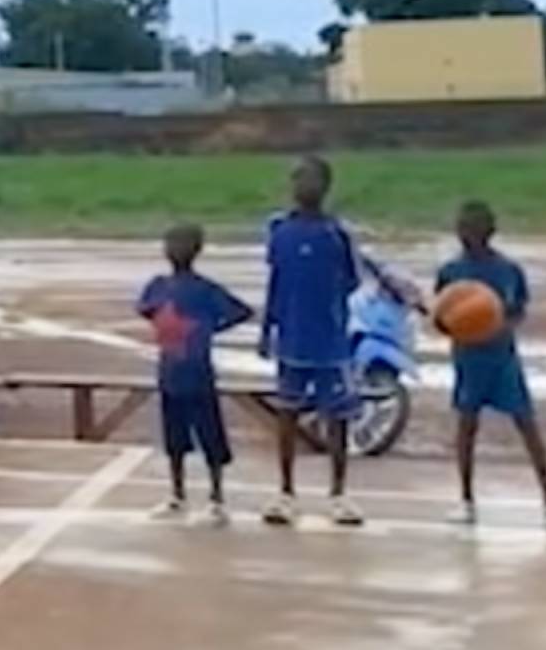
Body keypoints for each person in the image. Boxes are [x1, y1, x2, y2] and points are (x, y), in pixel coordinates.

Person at [253, 156, 388, 528]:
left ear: (325, 188)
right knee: (287, 412)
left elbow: (351, 281)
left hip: (330, 343)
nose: (303, 186)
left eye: (310, 180)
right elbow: (276, 284)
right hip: (292, 340)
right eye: (299, 179)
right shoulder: (280, 231)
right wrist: (268, 329)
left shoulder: (336, 235)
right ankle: (285, 492)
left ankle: (339, 493)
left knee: (337, 417)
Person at [438, 199, 546, 526]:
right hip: (468, 358)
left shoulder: (508, 270)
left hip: (502, 358)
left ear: (489, 232)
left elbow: (519, 310)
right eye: (462, 229)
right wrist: (453, 325)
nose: (466, 236)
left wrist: (500, 325)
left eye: (473, 229)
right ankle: (466, 499)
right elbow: (443, 313)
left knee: (526, 424)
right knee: (466, 426)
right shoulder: (451, 272)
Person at [136, 222, 254, 522]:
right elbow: (144, 308)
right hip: (172, 373)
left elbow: (242, 311)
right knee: (174, 438)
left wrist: (209, 328)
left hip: (197, 374)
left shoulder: (200, 289)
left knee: (209, 435)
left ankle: (216, 498)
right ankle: (178, 495)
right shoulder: (161, 286)